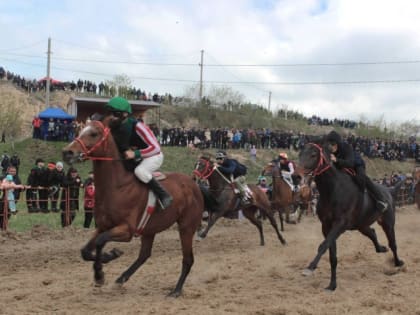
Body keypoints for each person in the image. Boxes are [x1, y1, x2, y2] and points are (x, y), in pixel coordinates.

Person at [104, 96, 172, 210]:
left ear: (125, 114)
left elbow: (156, 148)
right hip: (133, 158)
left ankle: (164, 195)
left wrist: (135, 154)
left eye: (114, 113)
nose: (111, 116)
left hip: (153, 156)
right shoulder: (113, 127)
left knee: (140, 171)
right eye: (109, 113)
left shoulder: (138, 126)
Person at [326, 130, 388, 212]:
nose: (331, 147)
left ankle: (381, 199)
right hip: (342, 165)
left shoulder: (347, 147)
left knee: (361, 178)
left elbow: (350, 163)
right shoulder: (329, 150)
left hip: (356, 163)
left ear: (338, 143)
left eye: (333, 144)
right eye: (329, 145)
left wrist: (336, 160)